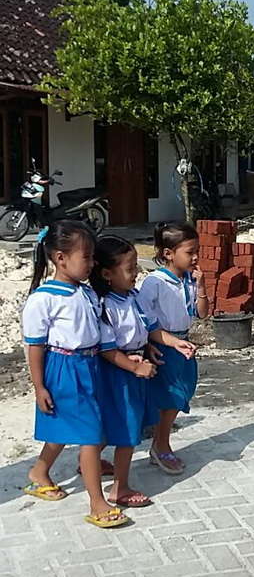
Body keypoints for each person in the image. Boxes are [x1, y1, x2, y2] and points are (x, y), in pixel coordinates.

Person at [21, 221, 129, 528]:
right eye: (87, 257)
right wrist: (39, 385)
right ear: (60, 258)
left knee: (70, 425)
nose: (92, 264)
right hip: (63, 369)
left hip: (91, 365)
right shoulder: (44, 299)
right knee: (89, 436)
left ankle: (39, 472)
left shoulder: (85, 292)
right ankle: (97, 501)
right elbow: (35, 347)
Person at [90, 235, 196, 506]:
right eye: (130, 268)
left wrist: (175, 342)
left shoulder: (134, 298)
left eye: (136, 266)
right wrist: (134, 367)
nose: (136, 273)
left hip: (135, 368)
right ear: (107, 274)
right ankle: (120, 489)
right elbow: (107, 349)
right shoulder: (105, 306)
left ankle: (90, 466)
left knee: (116, 424)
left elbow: (152, 330)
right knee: (127, 431)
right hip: (119, 373)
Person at [138, 223, 208, 474]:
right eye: (190, 252)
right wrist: (150, 344)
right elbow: (144, 319)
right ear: (168, 254)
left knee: (183, 393)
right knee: (171, 397)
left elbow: (202, 313)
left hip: (184, 343)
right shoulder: (154, 283)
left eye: (196, 251)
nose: (195, 257)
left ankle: (159, 443)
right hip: (163, 346)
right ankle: (161, 445)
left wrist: (201, 287)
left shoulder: (190, 280)